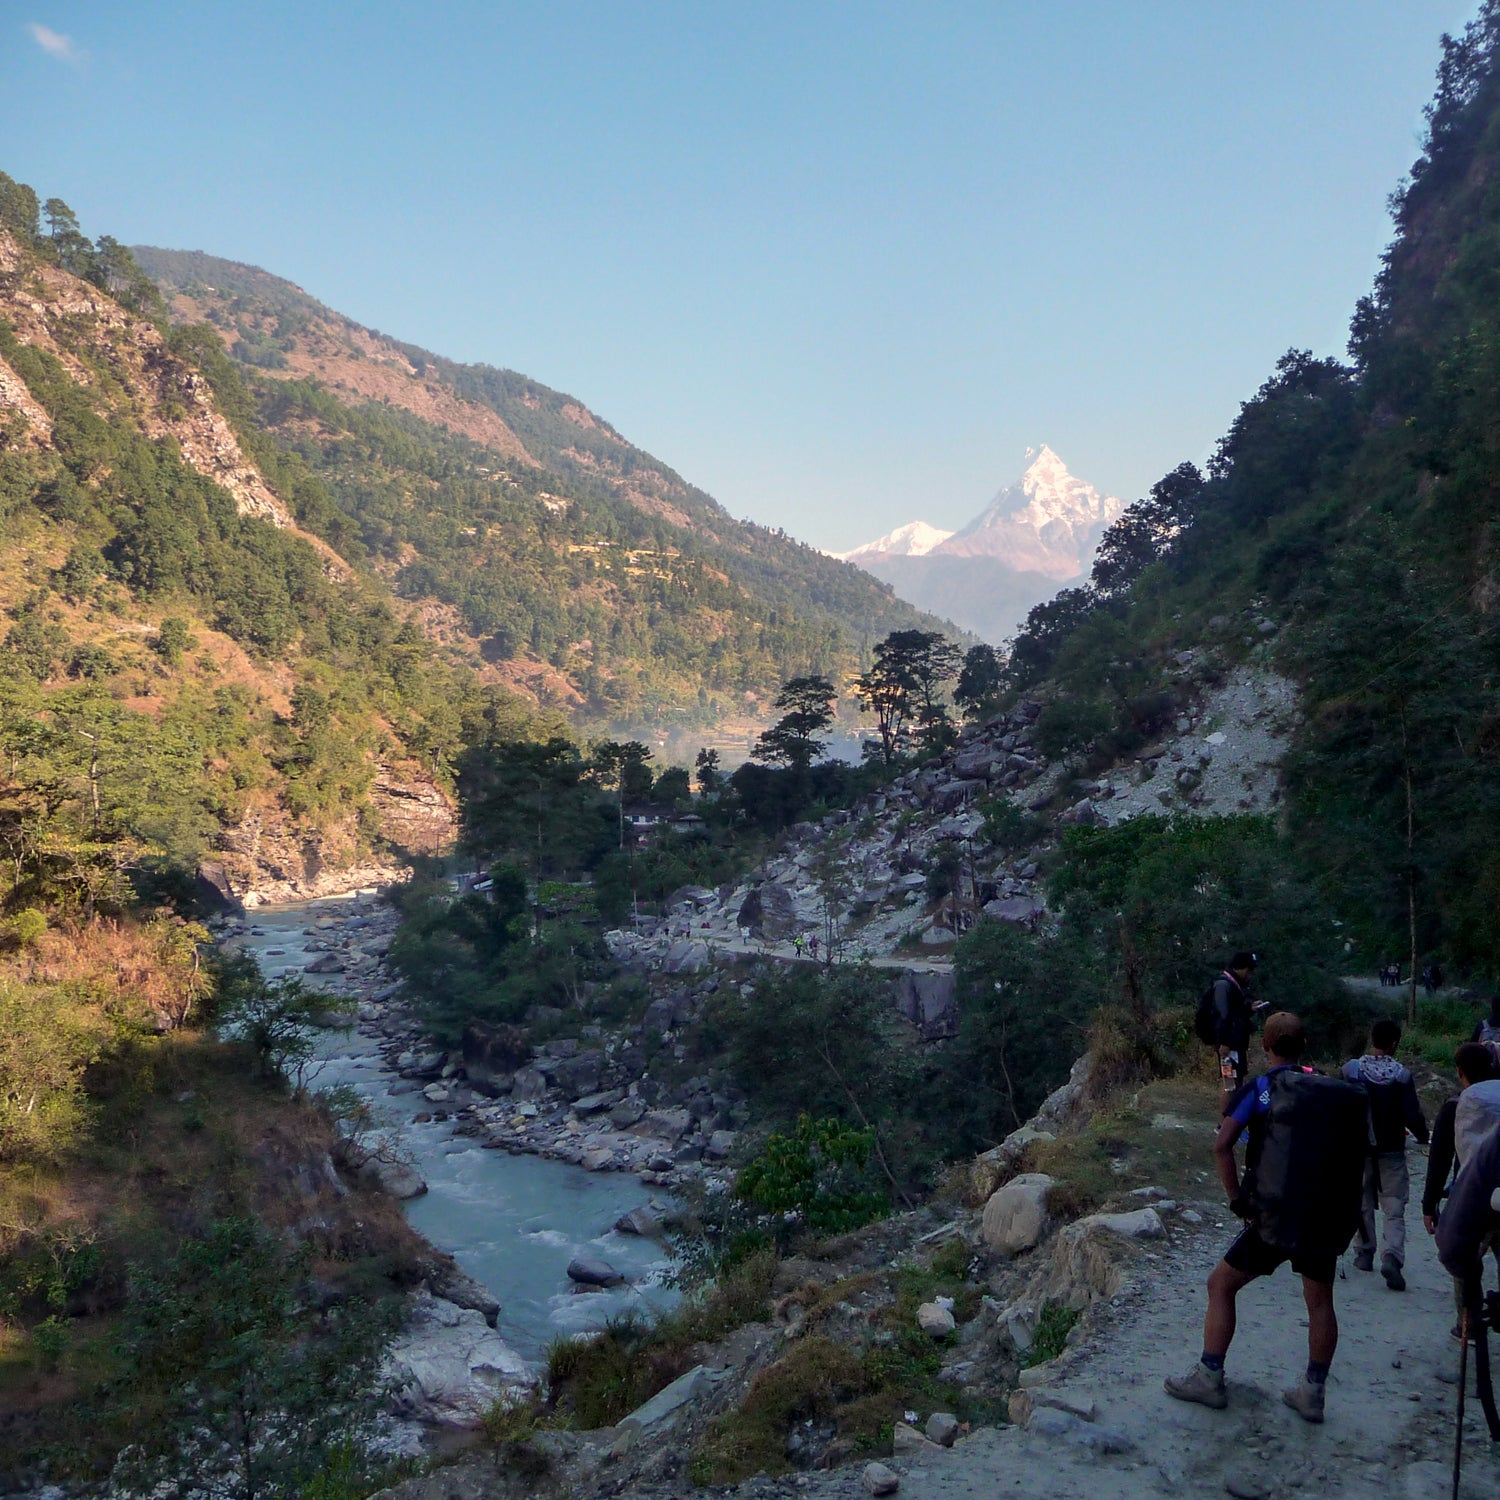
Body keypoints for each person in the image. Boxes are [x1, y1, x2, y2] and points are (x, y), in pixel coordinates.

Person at [1165, 1012, 1365, 1424]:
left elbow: (1222, 1145)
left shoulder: (1260, 1089)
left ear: (1264, 1046)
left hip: (1272, 1218)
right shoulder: (1328, 1089)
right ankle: (1312, 1392)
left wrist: (1238, 1199)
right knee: (1320, 1301)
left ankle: (1209, 1376)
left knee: (1220, 1285)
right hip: (1320, 1217)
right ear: (1304, 1045)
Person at [1341, 1018, 1429, 1291]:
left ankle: (1364, 1253)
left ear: (1372, 1039)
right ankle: (1391, 1256)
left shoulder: (1352, 1069)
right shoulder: (1401, 1076)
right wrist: (1424, 1137)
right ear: (1394, 1044)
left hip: (1358, 1149)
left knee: (1362, 1203)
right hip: (1391, 1150)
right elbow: (1412, 1115)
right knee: (1394, 1206)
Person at [1422, 1042, 1498, 1338]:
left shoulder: (1457, 1106)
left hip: (1471, 1198)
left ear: (1460, 1071)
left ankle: (1468, 1325)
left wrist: (1430, 1205)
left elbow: (1439, 1160)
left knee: (1465, 1261)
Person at [1209, 951, 1261, 1095]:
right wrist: (1224, 1042)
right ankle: (1226, 1116)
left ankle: (1234, 1114)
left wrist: (1249, 1009)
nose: (1248, 974)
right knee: (1229, 1082)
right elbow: (1221, 1015)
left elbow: (1235, 1012)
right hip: (1229, 1045)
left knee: (1237, 1081)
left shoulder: (1235, 986)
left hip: (1237, 1043)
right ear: (1241, 967)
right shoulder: (1223, 985)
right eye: (1248, 970)